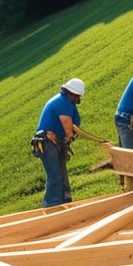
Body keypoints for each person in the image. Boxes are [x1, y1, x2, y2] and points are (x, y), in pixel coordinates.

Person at [35, 78, 85, 207]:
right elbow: (68, 129)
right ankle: (52, 206)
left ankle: (65, 201)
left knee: (61, 173)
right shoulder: (62, 103)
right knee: (55, 175)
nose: (79, 99)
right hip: (47, 142)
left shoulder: (66, 102)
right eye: (78, 96)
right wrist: (69, 138)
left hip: (55, 142)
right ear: (71, 94)